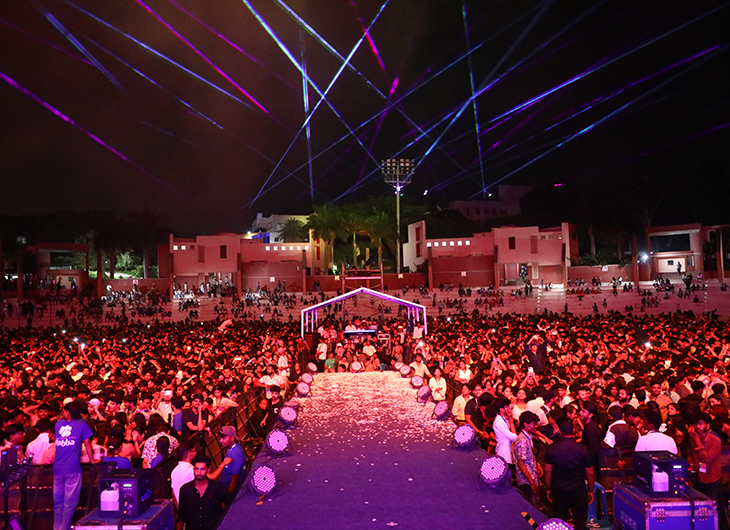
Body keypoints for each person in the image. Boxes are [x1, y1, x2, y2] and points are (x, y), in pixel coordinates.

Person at [51, 400, 96, 530]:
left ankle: (56, 528)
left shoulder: (59, 424)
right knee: (69, 503)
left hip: (57, 468)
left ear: (68, 413)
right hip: (73, 468)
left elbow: (56, 443)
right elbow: (87, 443)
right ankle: (63, 528)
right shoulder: (82, 424)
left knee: (58, 502)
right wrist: (92, 461)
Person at [545, 417, 594, 530]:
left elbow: (547, 470)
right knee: (580, 522)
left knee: (560, 522)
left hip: (559, 490)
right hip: (578, 490)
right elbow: (590, 473)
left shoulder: (552, 449)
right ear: (573, 430)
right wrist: (590, 490)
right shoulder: (582, 449)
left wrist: (548, 488)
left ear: (560, 432)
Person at [689, 413, 728, 530]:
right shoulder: (694, 439)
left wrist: (698, 442)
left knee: (715, 508)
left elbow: (708, 459)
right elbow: (695, 457)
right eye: (696, 424)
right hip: (700, 477)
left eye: (701, 424)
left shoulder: (715, 440)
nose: (698, 427)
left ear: (708, 425)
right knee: (700, 507)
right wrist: (692, 466)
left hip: (712, 478)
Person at [176, 454, 233, 530]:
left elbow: (231, 505)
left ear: (208, 470)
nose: (199, 473)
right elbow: (181, 516)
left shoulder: (217, 487)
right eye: (196, 469)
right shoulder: (185, 490)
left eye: (202, 469)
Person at [515, 411, 540, 507]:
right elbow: (521, 464)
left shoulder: (528, 437)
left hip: (531, 477)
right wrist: (532, 482)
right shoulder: (522, 441)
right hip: (526, 481)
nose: (535, 427)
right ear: (525, 424)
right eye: (533, 424)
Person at [216, 426, 245, 493]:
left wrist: (228, 496)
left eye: (224, 438)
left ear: (232, 438)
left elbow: (234, 480)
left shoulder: (235, 454)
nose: (220, 440)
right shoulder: (230, 449)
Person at [492, 397, 518, 473]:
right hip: (504, 454)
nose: (509, 409)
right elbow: (514, 438)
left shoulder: (503, 419)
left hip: (508, 452)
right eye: (507, 407)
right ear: (501, 409)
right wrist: (511, 420)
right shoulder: (498, 422)